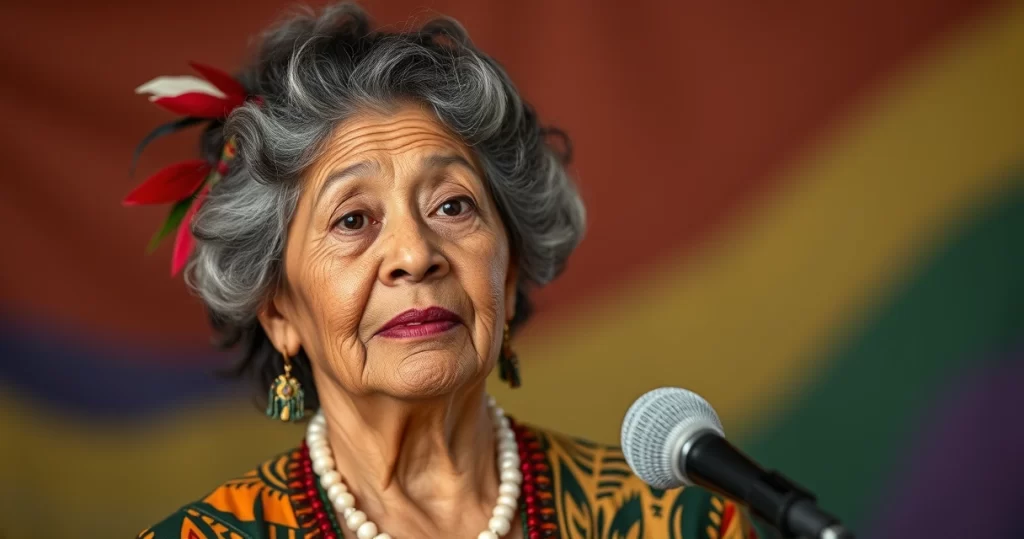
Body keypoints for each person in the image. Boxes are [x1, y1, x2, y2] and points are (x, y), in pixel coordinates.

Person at [131, 3, 763, 538]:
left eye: (452, 206)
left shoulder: (678, 525)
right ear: (278, 312)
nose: (415, 255)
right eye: (353, 219)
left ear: (508, 270)